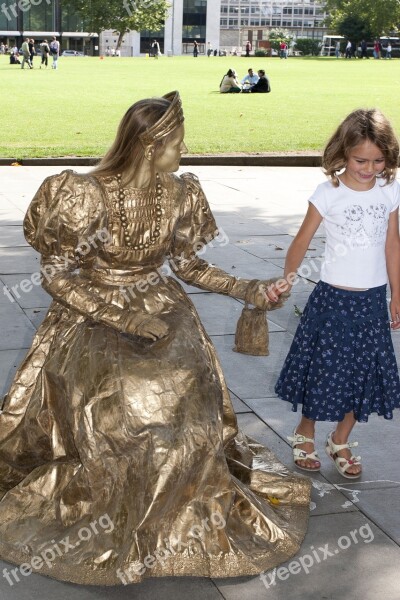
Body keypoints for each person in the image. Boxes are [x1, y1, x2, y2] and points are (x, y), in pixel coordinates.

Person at [0, 91, 310, 585]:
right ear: (149, 145)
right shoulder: (83, 193)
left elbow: (188, 265)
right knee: (124, 410)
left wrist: (248, 289)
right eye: (177, 145)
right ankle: (116, 514)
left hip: (161, 304)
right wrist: (122, 319)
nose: (183, 154)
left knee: (187, 396)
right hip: (91, 312)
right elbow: (57, 277)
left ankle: (182, 514)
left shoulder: (180, 192)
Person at [267, 108, 400, 479]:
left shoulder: (390, 190)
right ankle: (305, 432)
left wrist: (396, 295)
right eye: (360, 160)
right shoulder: (329, 193)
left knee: (365, 374)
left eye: (378, 160)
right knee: (326, 372)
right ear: (343, 154)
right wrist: (288, 278)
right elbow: (301, 241)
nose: (369, 168)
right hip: (333, 302)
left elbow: (393, 244)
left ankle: (340, 439)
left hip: (372, 301)